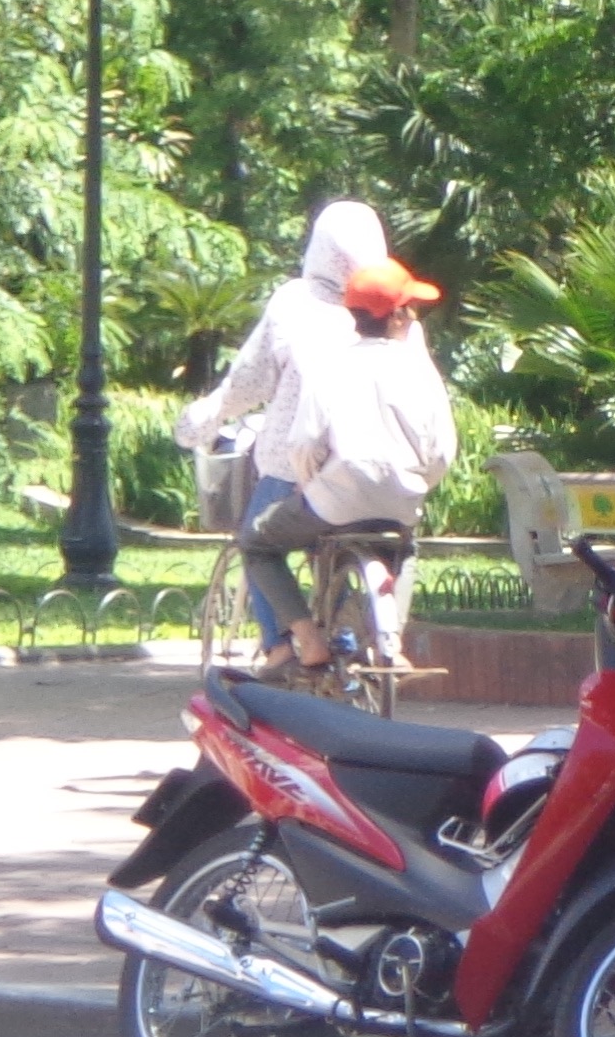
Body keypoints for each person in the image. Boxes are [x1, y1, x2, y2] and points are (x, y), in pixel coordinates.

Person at [178, 200, 388, 650]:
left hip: (297, 468)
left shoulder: (297, 302)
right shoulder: (390, 309)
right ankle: (350, 637)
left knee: (257, 540)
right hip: (381, 473)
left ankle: (286, 645)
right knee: (337, 544)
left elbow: (249, 381)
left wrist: (204, 419)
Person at [242, 254, 458, 681]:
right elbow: (442, 451)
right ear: (397, 316)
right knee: (404, 549)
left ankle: (308, 640)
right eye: (410, 308)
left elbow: (304, 444)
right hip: (400, 501)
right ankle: (390, 643)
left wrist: (311, 485)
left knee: (257, 543)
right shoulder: (419, 370)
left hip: (335, 501)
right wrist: (418, 483)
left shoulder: (332, 365)